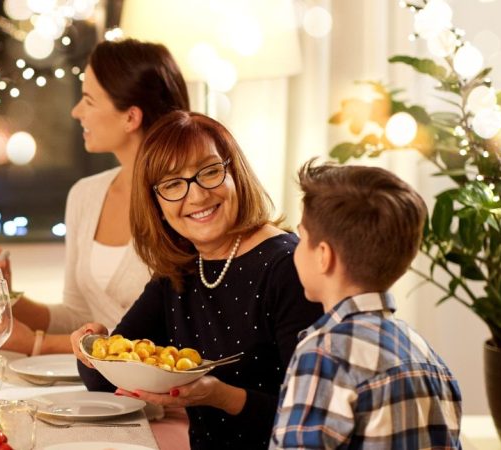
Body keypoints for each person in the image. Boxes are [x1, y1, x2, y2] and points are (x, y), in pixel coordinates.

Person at [0, 38, 193, 449]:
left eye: (88, 99)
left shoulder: (184, 202)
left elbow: (168, 344)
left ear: (131, 117)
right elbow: (78, 314)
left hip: (163, 411)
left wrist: (31, 344)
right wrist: (7, 302)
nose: (75, 111)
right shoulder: (86, 195)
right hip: (99, 398)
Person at [71, 111, 324, 450]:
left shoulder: (287, 266)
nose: (197, 195)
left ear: (235, 173)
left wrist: (222, 397)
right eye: (173, 184)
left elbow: (315, 419)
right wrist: (92, 345)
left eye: (209, 171)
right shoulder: (181, 271)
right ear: (156, 203)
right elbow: (105, 381)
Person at [270, 161, 462, 449]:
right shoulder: (426, 355)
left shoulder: (325, 353)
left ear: (324, 255)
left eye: (301, 238)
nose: (294, 249)